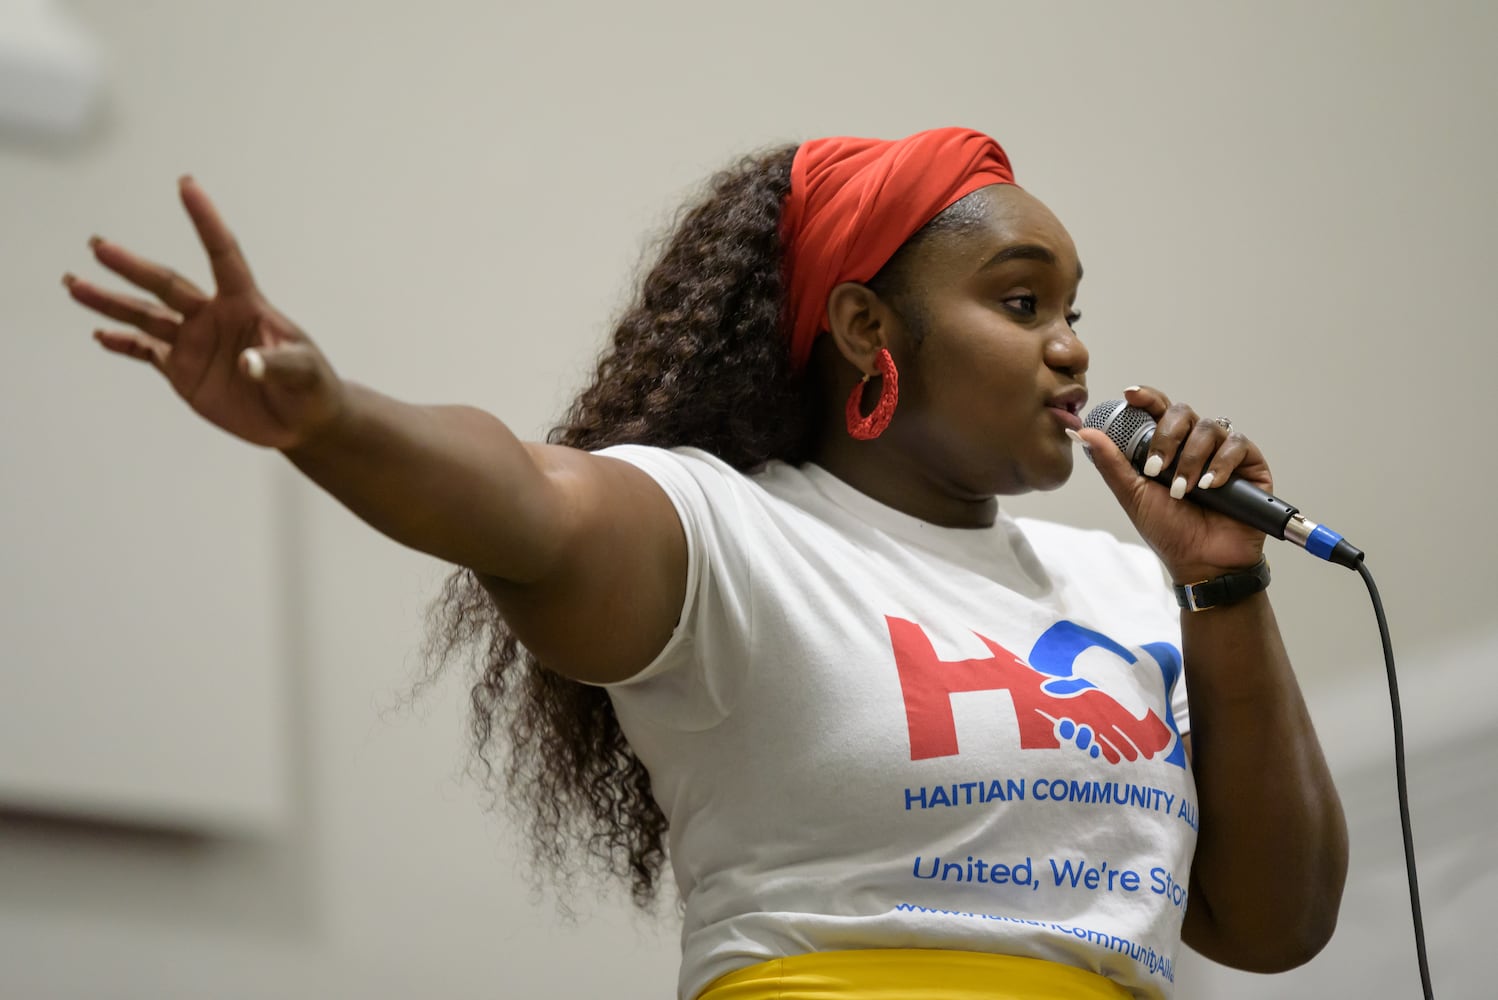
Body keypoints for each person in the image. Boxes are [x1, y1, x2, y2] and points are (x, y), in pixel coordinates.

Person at [63, 127, 1347, 1000]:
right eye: (1021, 305)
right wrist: (335, 418)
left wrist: (1223, 583)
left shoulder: (1132, 591)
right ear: (863, 327)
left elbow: (1273, 925)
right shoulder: (732, 535)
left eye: (1074, 313)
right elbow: (519, 494)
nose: (1069, 350)